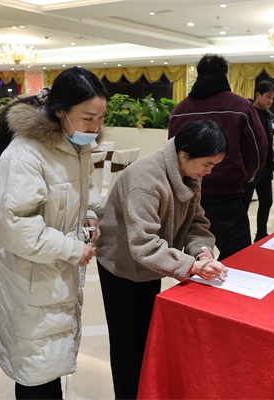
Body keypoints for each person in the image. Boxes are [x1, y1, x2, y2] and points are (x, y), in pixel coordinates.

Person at [0, 67, 106, 399]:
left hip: (55, 273)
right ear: (60, 111)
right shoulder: (26, 154)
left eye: (100, 118)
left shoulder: (75, 147)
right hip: (30, 276)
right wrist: (72, 249)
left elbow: (84, 189)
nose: (95, 127)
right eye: (88, 118)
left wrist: (90, 214)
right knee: (35, 370)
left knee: (49, 363)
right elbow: (13, 224)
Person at [96, 119, 229, 399]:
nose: (209, 171)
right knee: (127, 343)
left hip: (150, 264)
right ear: (185, 153)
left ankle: (147, 391)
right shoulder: (145, 180)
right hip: (122, 264)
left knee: (147, 337)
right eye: (208, 164)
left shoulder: (189, 173)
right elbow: (142, 243)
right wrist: (191, 266)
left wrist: (202, 252)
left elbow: (196, 222)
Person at [168, 54, 268, 260]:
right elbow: (258, 148)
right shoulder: (240, 106)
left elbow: (172, 151)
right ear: (225, 75)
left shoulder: (180, 109)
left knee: (195, 252)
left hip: (188, 193)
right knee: (238, 255)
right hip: (227, 192)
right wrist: (245, 176)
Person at [243, 80, 274, 242]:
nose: (270, 100)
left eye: (272, 98)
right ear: (258, 95)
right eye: (268, 96)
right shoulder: (247, 113)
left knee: (267, 201)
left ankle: (261, 233)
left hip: (266, 167)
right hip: (250, 168)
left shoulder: (268, 115)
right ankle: (242, 235)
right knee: (244, 204)